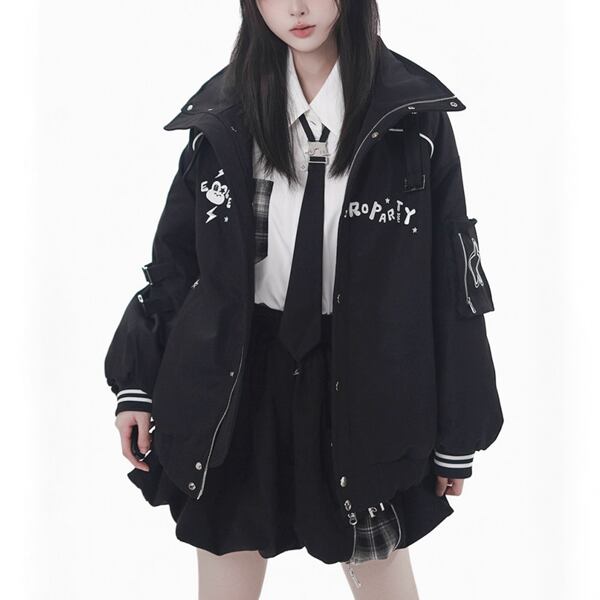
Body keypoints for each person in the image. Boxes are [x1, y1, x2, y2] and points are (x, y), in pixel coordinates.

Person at [104, 1, 504, 598]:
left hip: (361, 379)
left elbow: (452, 282)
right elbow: (177, 264)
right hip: (238, 374)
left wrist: (457, 432)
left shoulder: (410, 119)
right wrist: (136, 381)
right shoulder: (226, 112)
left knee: (381, 575)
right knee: (225, 564)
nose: (296, 7)